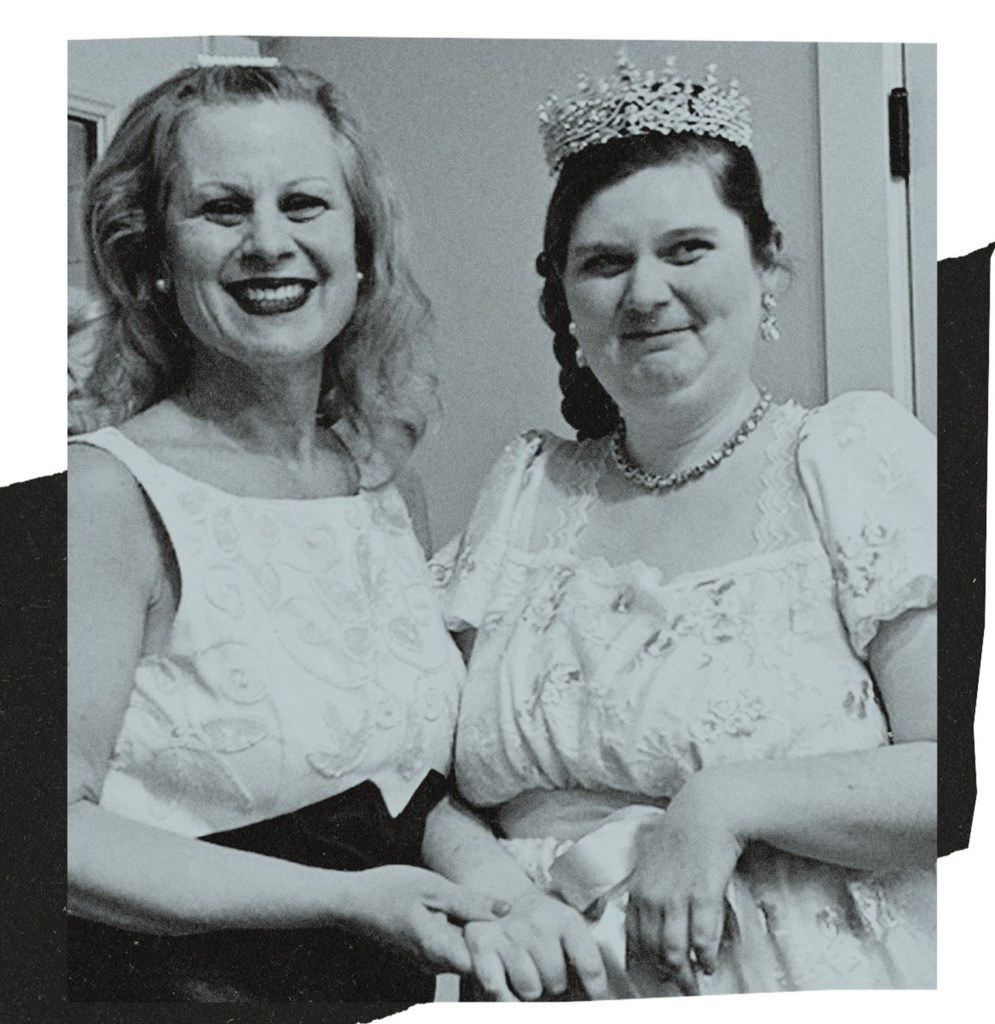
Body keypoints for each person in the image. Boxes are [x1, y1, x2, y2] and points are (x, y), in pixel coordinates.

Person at [429, 55, 937, 998]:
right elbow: (421, 779)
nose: (645, 291)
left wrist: (724, 803)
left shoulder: (849, 460)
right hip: (552, 982)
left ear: (766, 262)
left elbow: (965, 777)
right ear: (565, 300)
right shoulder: (525, 488)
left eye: (686, 248)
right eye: (605, 262)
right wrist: (497, 891)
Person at [66, 59, 509, 1005]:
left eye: (305, 203)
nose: (269, 242)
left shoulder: (384, 486)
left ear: (359, 247)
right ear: (151, 254)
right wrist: (342, 902)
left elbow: (394, 784)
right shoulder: (102, 494)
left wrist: (507, 896)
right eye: (221, 209)